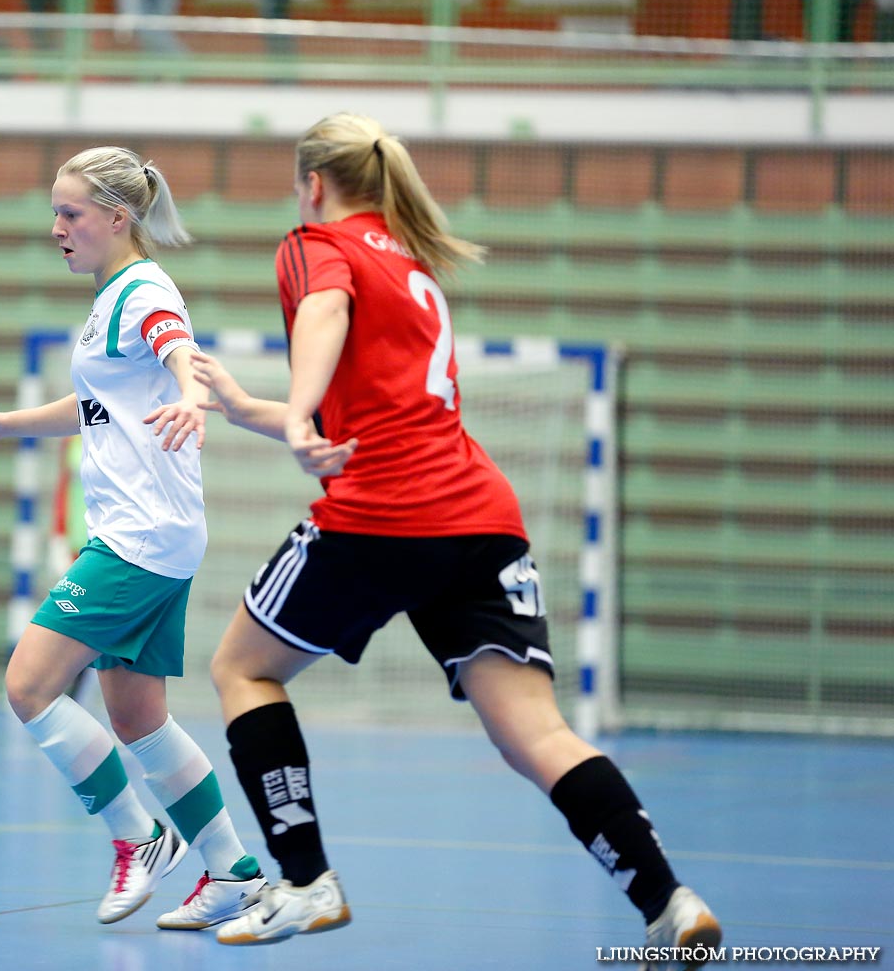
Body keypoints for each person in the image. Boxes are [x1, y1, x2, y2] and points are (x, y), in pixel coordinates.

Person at [189, 113, 723, 968]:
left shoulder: (314, 243)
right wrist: (256, 408)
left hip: (387, 515)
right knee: (538, 737)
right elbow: (357, 415)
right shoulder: (408, 262)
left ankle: (306, 880)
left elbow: (322, 314)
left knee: (242, 668)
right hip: (481, 519)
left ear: (313, 184)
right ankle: (669, 901)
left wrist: (291, 409)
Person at [0, 146, 265, 930]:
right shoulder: (109, 297)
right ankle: (236, 873)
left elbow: (177, 347)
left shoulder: (143, 291)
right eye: (54, 211)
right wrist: (2, 426)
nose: (57, 227)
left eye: (71, 213)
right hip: (158, 536)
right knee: (137, 719)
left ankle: (139, 837)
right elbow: (96, 406)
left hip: (136, 541)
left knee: (28, 684)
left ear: (119, 218)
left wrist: (191, 394)